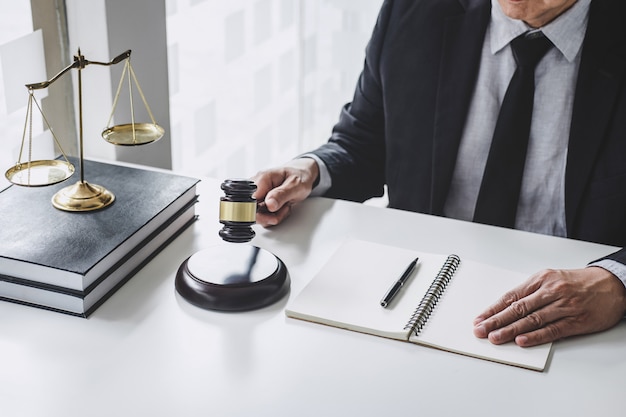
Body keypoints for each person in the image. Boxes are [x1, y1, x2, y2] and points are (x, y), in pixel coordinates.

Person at [252, 0, 626, 347]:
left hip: (578, 328)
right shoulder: (414, 11)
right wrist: (313, 170)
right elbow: (365, 141)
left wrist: (616, 282)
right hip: (420, 294)